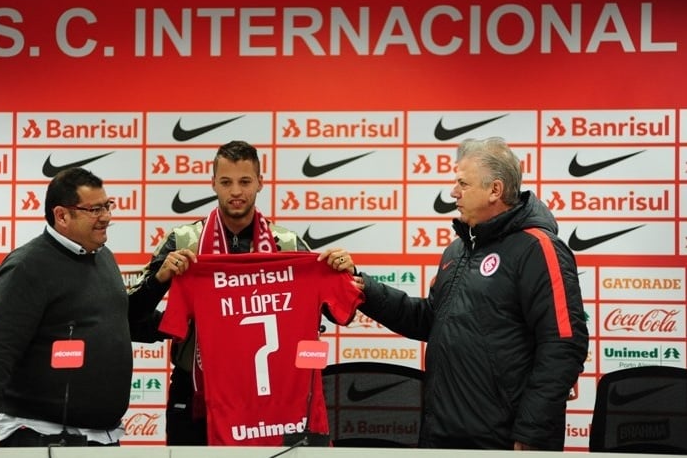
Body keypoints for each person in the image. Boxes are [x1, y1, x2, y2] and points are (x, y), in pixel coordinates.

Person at [354, 137, 588, 451]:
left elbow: (564, 343)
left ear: (495, 190)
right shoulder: (459, 248)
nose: (453, 192)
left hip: (503, 441)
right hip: (442, 435)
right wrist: (362, 289)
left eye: (463, 183)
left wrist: (532, 433)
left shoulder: (539, 247)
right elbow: (430, 320)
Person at [129, 140, 357, 445]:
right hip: (198, 391)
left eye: (245, 181)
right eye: (226, 182)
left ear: (261, 183)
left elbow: (339, 313)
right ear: (212, 184)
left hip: (269, 393)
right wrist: (160, 279)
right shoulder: (183, 241)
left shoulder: (286, 244)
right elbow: (131, 315)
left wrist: (346, 273)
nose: (236, 191)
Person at [0, 167, 165, 447]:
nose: (106, 217)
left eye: (108, 206)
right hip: (41, 439)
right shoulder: (27, 267)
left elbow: (120, 320)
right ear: (62, 216)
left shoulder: (103, 256)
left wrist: (185, 323)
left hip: (101, 439)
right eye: (95, 209)